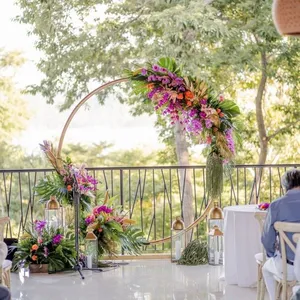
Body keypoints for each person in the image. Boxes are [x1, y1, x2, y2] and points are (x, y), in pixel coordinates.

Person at [261, 169, 300, 300]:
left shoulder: (276, 205)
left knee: (266, 268)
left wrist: (274, 254)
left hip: (288, 268)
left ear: (285, 186)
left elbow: (267, 240)